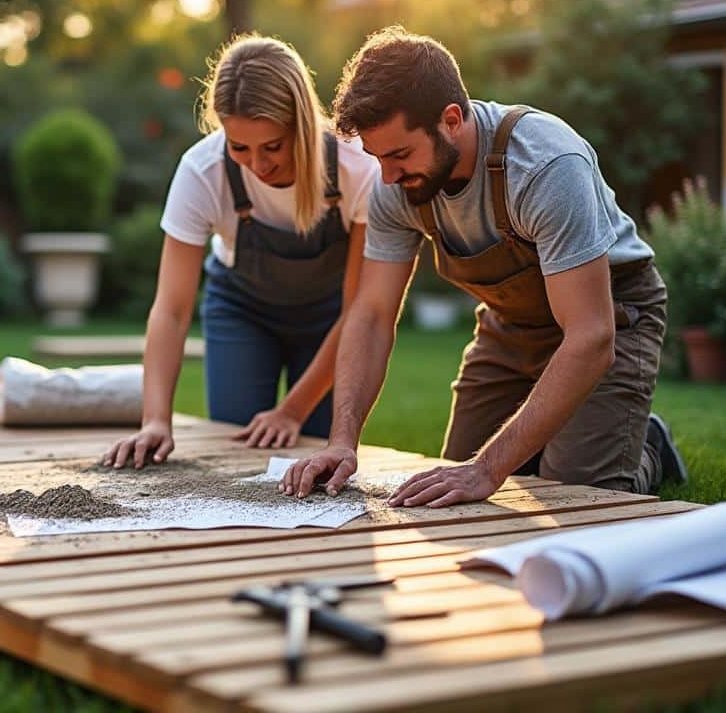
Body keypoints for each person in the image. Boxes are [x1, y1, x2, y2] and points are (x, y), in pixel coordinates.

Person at [281, 27, 687, 504]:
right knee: (451, 481)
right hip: (510, 326)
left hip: (612, 316)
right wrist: (342, 441)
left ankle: (648, 450)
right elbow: (370, 317)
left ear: (451, 119)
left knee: (572, 493)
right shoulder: (396, 185)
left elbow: (591, 336)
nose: (387, 177)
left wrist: (489, 467)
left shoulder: (544, 165)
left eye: (400, 155)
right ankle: (555, 441)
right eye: (377, 158)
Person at [102, 34, 381, 469]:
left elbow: (360, 309)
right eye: (240, 147)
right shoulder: (202, 171)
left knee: (319, 460)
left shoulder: (357, 168)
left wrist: (293, 410)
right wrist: (155, 420)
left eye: (272, 146)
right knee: (235, 454)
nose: (258, 164)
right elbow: (171, 311)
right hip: (242, 311)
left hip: (333, 319)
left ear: (302, 124)